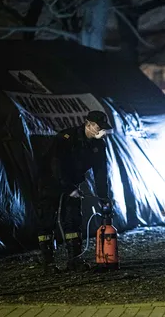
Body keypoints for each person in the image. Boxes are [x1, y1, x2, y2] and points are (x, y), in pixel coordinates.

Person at [37, 110, 112, 273]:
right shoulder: (66, 138)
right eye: (98, 127)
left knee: (72, 219)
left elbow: (101, 172)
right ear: (89, 124)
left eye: (103, 128)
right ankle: (48, 263)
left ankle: (74, 260)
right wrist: (68, 188)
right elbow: (55, 165)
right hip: (50, 180)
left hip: (72, 183)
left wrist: (103, 197)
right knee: (47, 220)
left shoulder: (98, 145)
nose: (101, 131)